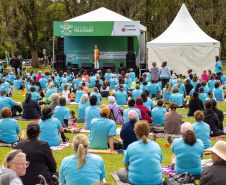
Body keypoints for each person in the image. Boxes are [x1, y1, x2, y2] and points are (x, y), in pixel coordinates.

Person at [117, 120, 163, 185]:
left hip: (136, 181)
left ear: (135, 132)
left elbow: (126, 165)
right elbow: (159, 162)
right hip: (156, 181)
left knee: (120, 171)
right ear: (149, 131)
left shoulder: (131, 146)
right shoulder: (156, 146)